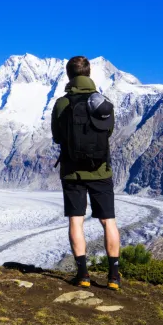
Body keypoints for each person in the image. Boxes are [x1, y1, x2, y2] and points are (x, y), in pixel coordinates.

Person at [50, 55, 121, 290]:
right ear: (89, 74)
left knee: (76, 220)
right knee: (108, 221)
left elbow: (57, 136)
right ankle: (114, 277)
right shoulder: (103, 102)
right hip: (101, 170)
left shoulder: (62, 104)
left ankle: (83, 274)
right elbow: (108, 132)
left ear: (69, 75)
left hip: (72, 172)